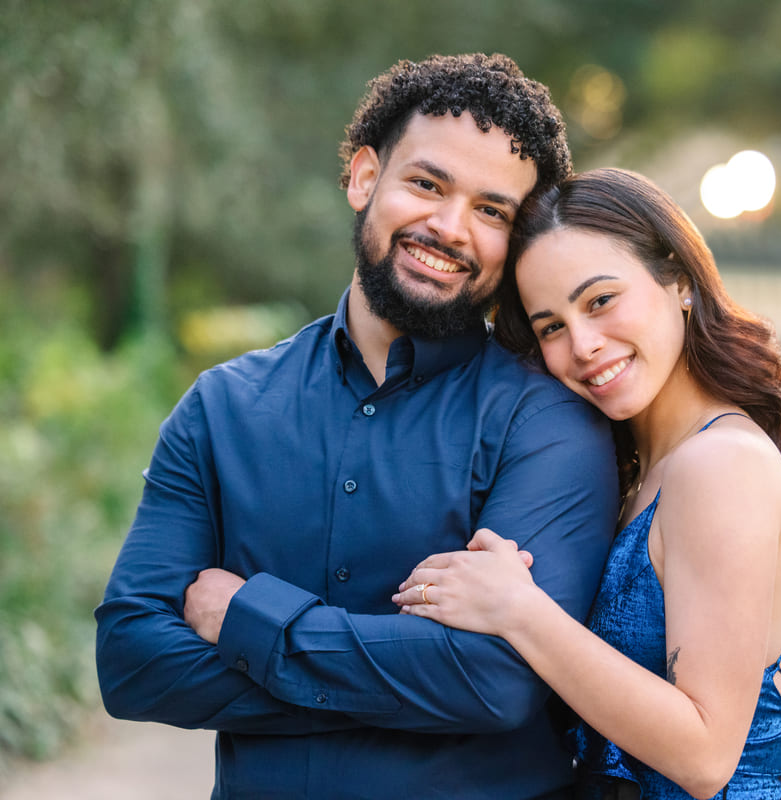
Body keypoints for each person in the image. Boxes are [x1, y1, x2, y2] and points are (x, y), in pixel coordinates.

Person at [94, 53, 620, 800]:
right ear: (364, 177)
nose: (450, 227)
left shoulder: (549, 424)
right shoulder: (222, 407)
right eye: (428, 185)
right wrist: (410, 680)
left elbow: (496, 681)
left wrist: (248, 618)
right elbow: (131, 662)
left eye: (491, 210)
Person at [392, 168, 781, 799]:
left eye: (601, 301)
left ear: (681, 282)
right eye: (551, 326)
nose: (583, 344)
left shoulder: (718, 464)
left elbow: (705, 755)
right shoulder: (645, 465)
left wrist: (519, 610)